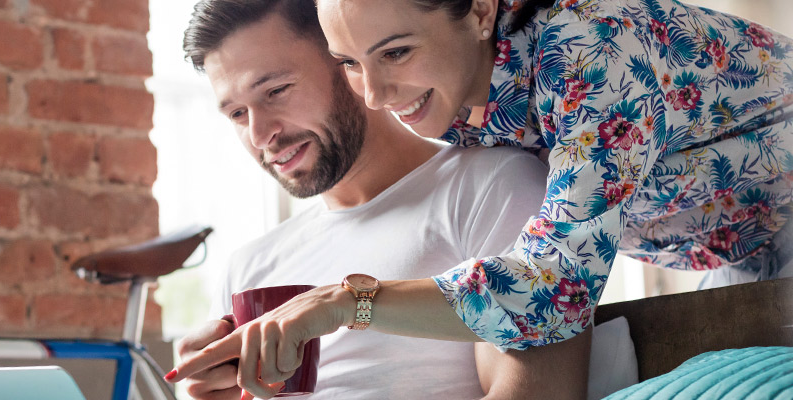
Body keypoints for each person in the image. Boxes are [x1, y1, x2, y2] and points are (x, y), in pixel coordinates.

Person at [173, 0, 793, 397]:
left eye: (394, 52)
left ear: (480, 11)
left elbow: (553, 291)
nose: (376, 94)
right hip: (741, 248)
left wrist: (346, 302)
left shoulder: (587, 57)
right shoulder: (458, 108)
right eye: (352, 63)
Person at [170, 0, 591, 398]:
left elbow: (539, 392)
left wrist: (355, 303)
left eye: (276, 91)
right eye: (237, 114)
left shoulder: (491, 187)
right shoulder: (248, 269)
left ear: (346, 59)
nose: (260, 135)